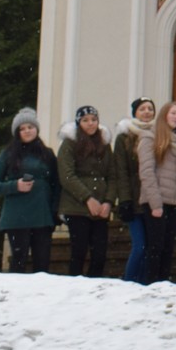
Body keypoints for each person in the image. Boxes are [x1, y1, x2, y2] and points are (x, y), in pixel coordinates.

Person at [0, 108, 58, 273]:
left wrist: (54, 212)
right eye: (22, 128)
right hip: (16, 218)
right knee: (18, 264)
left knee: (42, 265)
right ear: (17, 132)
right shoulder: (7, 154)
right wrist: (15, 186)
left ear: (36, 129)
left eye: (30, 126)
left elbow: (56, 184)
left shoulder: (47, 154)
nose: (27, 131)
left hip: (42, 216)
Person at [57, 105, 120, 278]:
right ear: (79, 123)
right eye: (85, 120)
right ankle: (75, 288)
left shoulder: (105, 145)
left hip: (101, 208)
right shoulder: (70, 144)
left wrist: (108, 201)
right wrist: (88, 198)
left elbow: (112, 176)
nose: (90, 124)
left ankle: (95, 286)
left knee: (99, 254)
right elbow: (67, 175)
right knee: (79, 252)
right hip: (76, 207)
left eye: (93, 120)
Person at [139, 101, 176, 284]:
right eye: (172, 113)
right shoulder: (150, 138)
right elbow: (147, 172)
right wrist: (156, 204)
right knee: (155, 247)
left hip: (175, 202)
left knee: (168, 248)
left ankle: (163, 284)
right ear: (164, 116)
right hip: (156, 203)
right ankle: (151, 284)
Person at [114, 99, 156, 283]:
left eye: (150, 109)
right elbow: (120, 171)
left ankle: (145, 283)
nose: (146, 112)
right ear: (134, 113)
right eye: (142, 109)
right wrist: (124, 199)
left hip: (153, 199)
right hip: (133, 197)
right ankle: (129, 281)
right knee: (140, 246)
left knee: (151, 247)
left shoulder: (159, 135)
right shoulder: (124, 137)